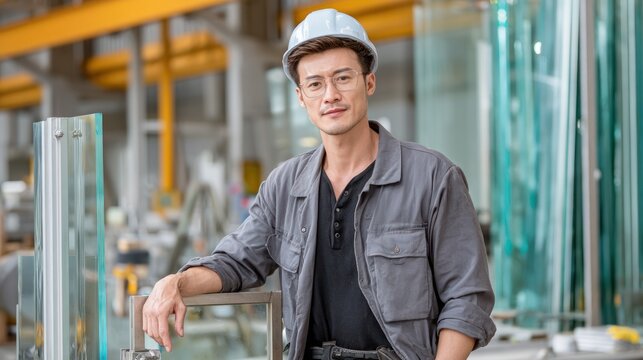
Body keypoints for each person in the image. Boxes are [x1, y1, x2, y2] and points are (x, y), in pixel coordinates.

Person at [142, 8, 496, 360]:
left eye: (343, 78)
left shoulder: (432, 177)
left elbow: (466, 299)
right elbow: (236, 262)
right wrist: (175, 282)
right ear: (301, 97)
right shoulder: (284, 186)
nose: (330, 95)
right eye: (315, 84)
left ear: (368, 82)